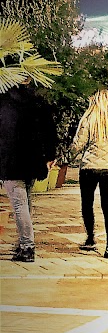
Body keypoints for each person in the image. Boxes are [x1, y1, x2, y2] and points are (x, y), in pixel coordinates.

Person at [0, 81, 56, 263]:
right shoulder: (38, 102)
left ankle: (27, 247)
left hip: (10, 161)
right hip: (32, 161)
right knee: (26, 203)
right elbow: (50, 131)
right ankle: (23, 244)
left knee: (19, 205)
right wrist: (49, 155)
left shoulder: (4, 103)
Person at [70, 88, 108, 259]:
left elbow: (79, 143)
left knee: (87, 203)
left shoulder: (89, 118)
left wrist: (67, 157)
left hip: (89, 167)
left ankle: (90, 238)